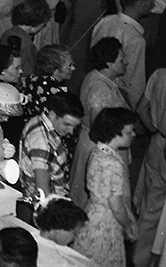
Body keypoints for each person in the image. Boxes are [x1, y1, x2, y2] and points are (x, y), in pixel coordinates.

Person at [75, 108, 138, 267]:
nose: (134, 135)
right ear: (115, 133)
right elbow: (116, 206)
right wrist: (128, 226)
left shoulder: (97, 151)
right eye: (129, 132)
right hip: (105, 222)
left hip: (91, 213)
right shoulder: (113, 163)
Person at [19, 91, 83, 203]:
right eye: (67, 124)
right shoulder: (43, 144)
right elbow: (43, 191)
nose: (71, 131)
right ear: (53, 115)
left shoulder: (38, 120)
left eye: (74, 126)